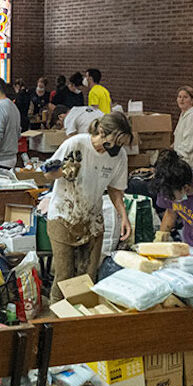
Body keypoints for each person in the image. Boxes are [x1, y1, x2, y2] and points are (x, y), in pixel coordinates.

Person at [42, 112, 133, 303]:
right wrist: (63, 170)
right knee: (64, 277)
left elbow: (115, 190)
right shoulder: (76, 144)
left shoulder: (119, 156)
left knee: (87, 277)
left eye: (122, 143)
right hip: (63, 216)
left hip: (92, 220)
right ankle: (57, 319)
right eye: (115, 142)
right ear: (101, 131)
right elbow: (48, 174)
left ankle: (81, 321)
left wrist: (123, 216)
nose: (117, 148)